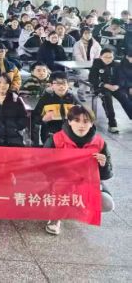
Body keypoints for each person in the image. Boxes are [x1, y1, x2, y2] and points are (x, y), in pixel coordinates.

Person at [43, 105, 114, 236]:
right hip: (60, 183)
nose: (81, 125)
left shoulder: (100, 143)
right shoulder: (55, 139)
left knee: (107, 204)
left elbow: (106, 175)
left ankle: (73, 207)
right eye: (77, 120)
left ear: (91, 123)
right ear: (69, 122)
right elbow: (42, 167)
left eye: (86, 121)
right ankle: (55, 217)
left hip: (86, 182)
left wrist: (103, 164)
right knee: (53, 192)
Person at [33, 71, 83, 145]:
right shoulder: (45, 99)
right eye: (58, 84)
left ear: (68, 85)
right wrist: (43, 119)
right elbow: (34, 117)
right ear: (51, 85)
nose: (61, 86)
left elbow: (84, 114)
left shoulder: (72, 98)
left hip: (70, 134)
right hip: (50, 134)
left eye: (64, 83)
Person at [89, 49, 132, 133]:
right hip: (102, 87)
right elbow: (92, 78)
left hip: (115, 87)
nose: (108, 59)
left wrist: (118, 86)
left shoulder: (117, 65)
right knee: (107, 98)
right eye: (105, 57)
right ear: (100, 56)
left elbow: (122, 78)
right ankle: (112, 123)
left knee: (124, 97)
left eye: (110, 57)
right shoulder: (96, 64)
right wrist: (105, 85)